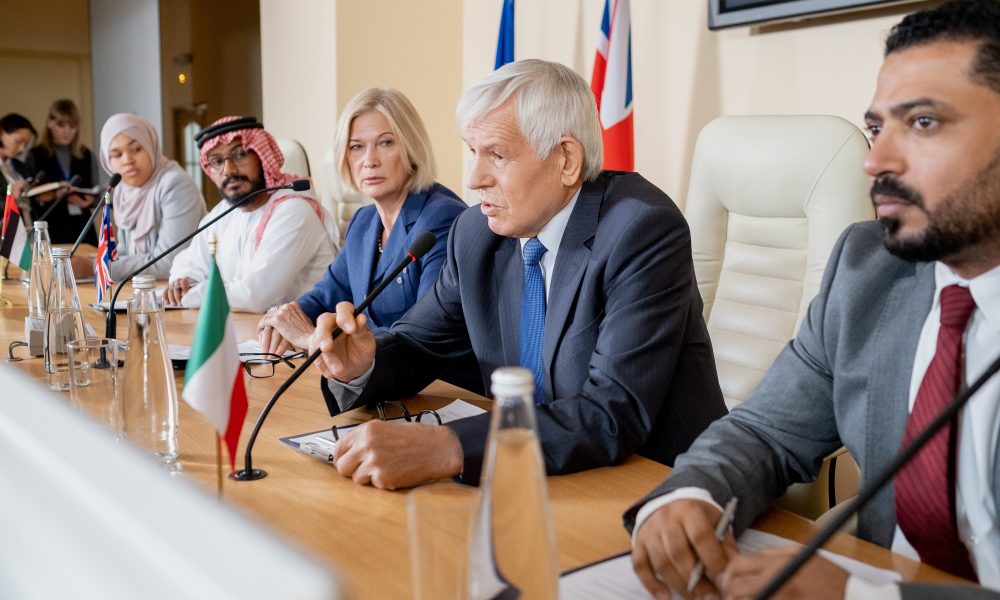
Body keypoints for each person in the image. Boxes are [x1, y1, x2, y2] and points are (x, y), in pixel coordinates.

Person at [626, 1, 1000, 598]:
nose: (875, 161)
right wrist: (693, 496)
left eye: (923, 122)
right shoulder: (867, 269)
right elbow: (765, 431)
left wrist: (862, 596)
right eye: (876, 128)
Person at [308, 59, 727, 490]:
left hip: (655, 486)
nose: (474, 179)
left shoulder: (641, 231)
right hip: (535, 475)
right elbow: (420, 344)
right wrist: (365, 362)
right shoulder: (476, 234)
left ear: (566, 159)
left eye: (496, 155)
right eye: (473, 152)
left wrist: (448, 446)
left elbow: (611, 412)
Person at [257, 88, 466, 355]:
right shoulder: (363, 222)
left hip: (433, 377)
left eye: (386, 143)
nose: (369, 161)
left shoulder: (442, 218)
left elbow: (424, 332)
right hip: (375, 374)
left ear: (412, 148)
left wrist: (313, 338)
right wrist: (285, 318)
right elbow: (328, 294)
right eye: (356, 146)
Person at [164, 116, 337, 313]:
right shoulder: (223, 212)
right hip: (250, 326)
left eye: (240, 155)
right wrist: (183, 281)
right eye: (217, 162)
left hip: (307, 328)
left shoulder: (294, 211)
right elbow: (190, 260)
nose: (228, 170)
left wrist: (190, 295)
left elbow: (255, 297)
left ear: (262, 158)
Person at [99, 113, 206, 280]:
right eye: (117, 155)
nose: (127, 160)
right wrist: (97, 260)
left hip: (183, 290)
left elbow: (167, 263)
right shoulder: (124, 190)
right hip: (145, 289)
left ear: (150, 146)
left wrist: (98, 266)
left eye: (136, 149)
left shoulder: (176, 185)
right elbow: (125, 252)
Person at [29, 99, 99, 245]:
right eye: (61, 125)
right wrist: (56, 194)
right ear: (50, 123)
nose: (67, 132)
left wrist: (90, 201)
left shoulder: (86, 155)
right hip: (50, 225)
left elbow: (97, 193)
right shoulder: (35, 155)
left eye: (72, 126)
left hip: (82, 227)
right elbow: (30, 196)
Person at [0, 113, 36, 200]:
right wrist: (12, 199)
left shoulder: (21, 166)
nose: (22, 149)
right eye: (18, 141)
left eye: (26, 144)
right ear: (2, 133)